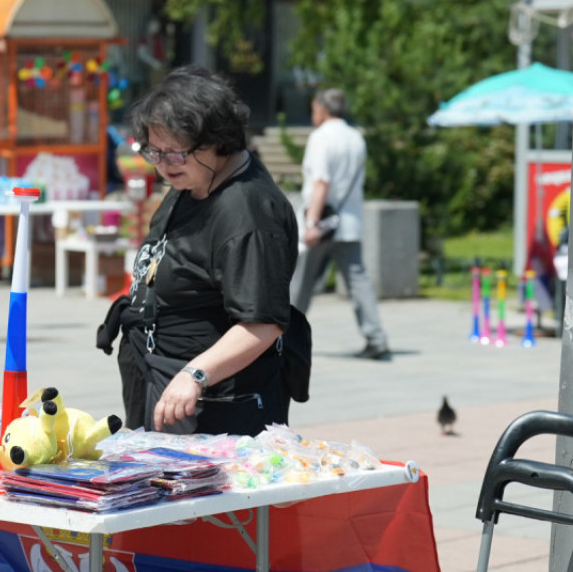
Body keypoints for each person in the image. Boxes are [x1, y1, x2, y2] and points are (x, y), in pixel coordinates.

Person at [98, 67, 299, 436]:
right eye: (153, 152)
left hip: (216, 405)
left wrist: (195, 375)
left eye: (174, 154)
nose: (161, 166)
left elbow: (263, 323)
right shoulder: (194, 180)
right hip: (164, 384)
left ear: (217, 141)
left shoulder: (248, 211)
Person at [290, 88, 390, 359]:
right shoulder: (356, 137)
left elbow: (321, 182)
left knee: (301, 283)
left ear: (322, 109)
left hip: (321, 223)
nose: (313, 113)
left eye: (313, 108)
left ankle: (285, 337)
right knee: (358, 282)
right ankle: (376, 337)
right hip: (349, 222)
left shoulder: (321, 138)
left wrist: (311, 223)